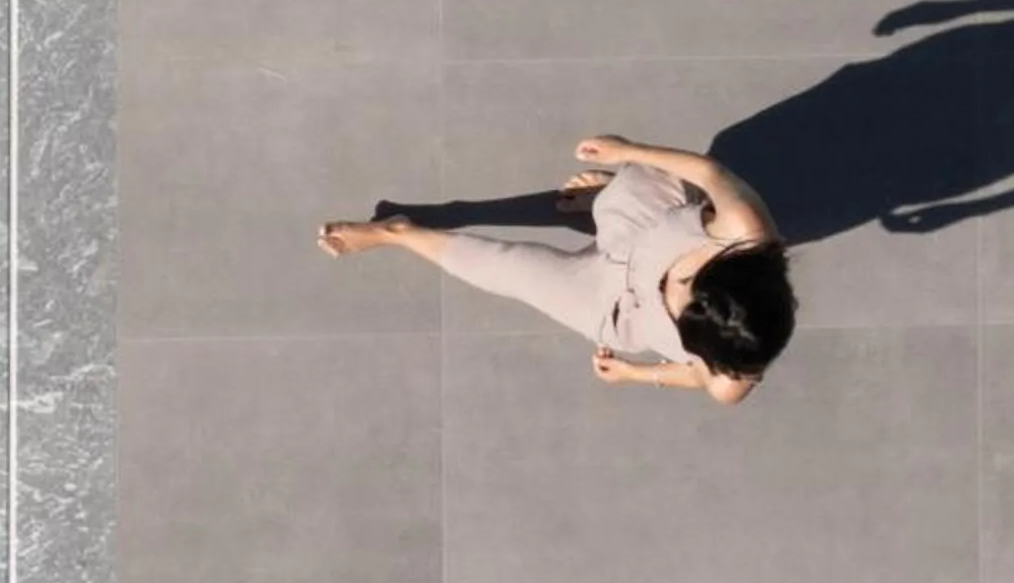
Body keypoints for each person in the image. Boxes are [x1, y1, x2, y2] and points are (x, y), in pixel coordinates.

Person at [318, 133, 796, 403]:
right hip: (645, 229)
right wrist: (628, 151)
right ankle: (609, 194)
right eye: (690, 285)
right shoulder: (744, 228)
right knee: (654, 177)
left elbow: (696, 377)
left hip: (614, 308)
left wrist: (634, 373)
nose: (679, 292)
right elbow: (710, 173)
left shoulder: (729, 377)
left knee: (512, 272)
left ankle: (396, 234)